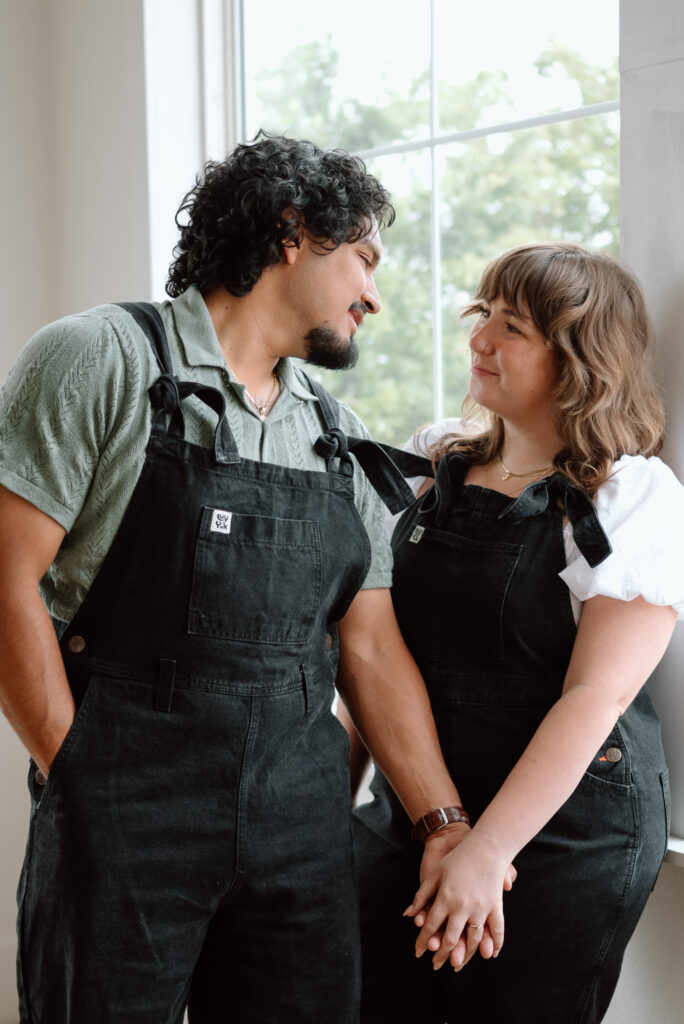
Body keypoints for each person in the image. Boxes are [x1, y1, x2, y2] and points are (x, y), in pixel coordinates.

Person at [0, 132, 471, 1024]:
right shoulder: (101, 358)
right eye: (364, 258)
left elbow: (369, 646)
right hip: (122, 806)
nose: (374, 294)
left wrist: (442, 823)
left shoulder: (336, 432)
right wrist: (78, 777)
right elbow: (2, 582)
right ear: (291, 230)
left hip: (302, 827)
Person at [346, 242, 684, 1023]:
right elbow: (373, 652)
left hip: (565, 834)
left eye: (512, 327)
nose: (479, 341)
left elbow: (595, 697)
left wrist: (487, 853)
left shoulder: (628, 497)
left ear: (579, 359)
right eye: (481, 316)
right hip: (419, 810)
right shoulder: (436, 464)